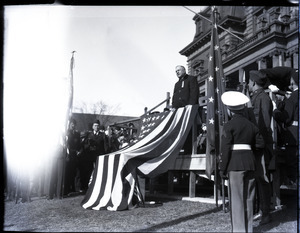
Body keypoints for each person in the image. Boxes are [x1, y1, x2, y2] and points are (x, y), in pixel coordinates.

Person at [219, 91, 265, 233]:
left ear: (229, 110)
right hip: (250, 163)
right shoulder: (252, 125)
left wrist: (222, 168)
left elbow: (225, 150)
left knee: (237, 200)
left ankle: (239, 230)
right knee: (249, 199)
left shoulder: (229, 126)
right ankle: (248, 229)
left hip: (234, 165)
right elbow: (260, 144)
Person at [248, 70, 273, 225]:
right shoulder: (256, 97)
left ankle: (266, 213)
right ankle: (260, 211)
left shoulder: (262, 98)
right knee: (258, 178)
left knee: (262, 179)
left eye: (250, 82)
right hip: (256, 144)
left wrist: (259, 143)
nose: (248, 84)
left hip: (260, 144)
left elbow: (263, 123)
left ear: (254, 83)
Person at [273, 69, 298, 187]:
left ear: (293, 83)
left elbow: (286, 118)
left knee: (292, 164)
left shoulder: (293, 97)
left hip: (293, 135)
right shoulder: (293, 96)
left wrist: (275, 110)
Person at [171, 65, 200, 154]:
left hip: (188, 109)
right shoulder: (177, 84)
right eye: (176, 71)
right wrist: (173, 106)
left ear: (184, 70)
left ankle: (189, 150)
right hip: (179, 110)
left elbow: (194, 92)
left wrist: (191, 104)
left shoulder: (191, 79)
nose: (177, 72)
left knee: (189, 130)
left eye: (179, 70)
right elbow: (175, 96)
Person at [80, 119, 109, 192]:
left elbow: (105, 146)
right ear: (93, 127)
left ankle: (98, 188)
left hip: (98, 156)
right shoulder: (88, 135)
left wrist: (104, 155)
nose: (97, 127)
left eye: (98, 126)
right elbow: (85, 145)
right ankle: (85, 187)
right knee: (88, 172)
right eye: (95, 126)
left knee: (99, 171)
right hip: (89, 156)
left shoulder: (102, 135)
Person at [63, 118, 81, 196]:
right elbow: (67, 145)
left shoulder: (77, 134)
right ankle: (66, 189)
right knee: (68, 172)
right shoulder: (67, 134)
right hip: (69, 155)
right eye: (71, 124)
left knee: (74, 172)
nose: (73, 125)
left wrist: (79, 151)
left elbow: (79, 144)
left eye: (74, 124)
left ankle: (73, 188)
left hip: (75, 155)